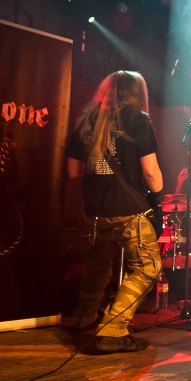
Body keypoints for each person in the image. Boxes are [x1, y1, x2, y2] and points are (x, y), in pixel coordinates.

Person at [62, 70, 164, 353]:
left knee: (98, 264)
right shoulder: (138, 120)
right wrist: (158, 199)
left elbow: (73, 170)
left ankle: (84, 318)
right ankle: (112, 329)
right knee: (147, 267)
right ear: (136, 93)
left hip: (95, 212)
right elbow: (151, 173)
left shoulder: (86, 122)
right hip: (130, 211)